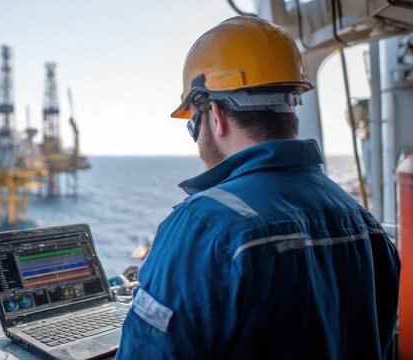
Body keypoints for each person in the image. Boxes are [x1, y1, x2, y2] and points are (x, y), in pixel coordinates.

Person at [116, 16, 400, 359]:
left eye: (193, 123)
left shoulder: (203, 228)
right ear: (290, 109)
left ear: (215, 115)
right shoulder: (366, 225)